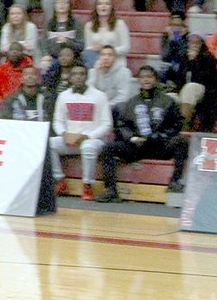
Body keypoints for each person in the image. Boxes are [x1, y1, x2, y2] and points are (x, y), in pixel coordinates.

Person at [96, 65, 188, 202]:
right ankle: (111, 190)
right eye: (143, 77)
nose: (146, 80)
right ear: (138, 80)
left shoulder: (168, 101)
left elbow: (177, 124)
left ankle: (174, 182)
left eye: (149, 77)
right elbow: (122, 125)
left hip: (159, 146)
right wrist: (131, 137)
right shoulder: (131, 103)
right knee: (108, 148)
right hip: (137, 147)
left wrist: (161, 136)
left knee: (182, 141)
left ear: (155, 79)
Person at [0, 64, 56, 215]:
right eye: (26, 75)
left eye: (33, 74)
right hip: (18, 141)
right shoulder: (11, 98)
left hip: (42, 141)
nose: (30, 77)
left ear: (38, 78)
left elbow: (55, 119)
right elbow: (3, 120)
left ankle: (45, 206)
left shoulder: (48, 97)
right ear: (21, 79)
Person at [50, 63, 112, 200]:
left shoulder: (99, 96)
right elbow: (57, 121)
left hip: (93, 140)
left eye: (81, 74)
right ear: (70, 77)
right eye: (75, 74)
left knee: (87, 147)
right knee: (50, 144)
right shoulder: (63, 96)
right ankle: (60, 181)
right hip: (70, 139)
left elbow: (107, 124)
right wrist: (63, 133)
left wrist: (89, 136)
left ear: (87, 76)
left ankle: (87, 185)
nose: (78, 77)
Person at [167, 33, 217, 132]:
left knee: (190, 87)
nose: (194, 45)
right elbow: (179, 81)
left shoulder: (209, 59)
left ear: (202, 44)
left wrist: (193, 62)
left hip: (205, 93)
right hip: (185, 92)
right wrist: (188, 62)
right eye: (191, 42)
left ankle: (183, 127)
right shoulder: (184, 58)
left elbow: (202, 80)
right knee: (169, 96)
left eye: (197, 42)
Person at [82, 0, 131, 69]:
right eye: (100, 4)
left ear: (111, 8)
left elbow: (126, 48)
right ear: (96, 8)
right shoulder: (89, 26)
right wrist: (94, 48)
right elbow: (88, 49)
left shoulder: (120, 24)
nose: (103, 6)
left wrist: (107, 50)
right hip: (96, 62)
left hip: (116, 62)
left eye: (107, 4)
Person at [88, 44, 133, 112]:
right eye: (103, 55)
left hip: (114, 109)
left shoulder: (124, 72)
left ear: (115, 58)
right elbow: (88, 93)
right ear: (99, 57)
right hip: (96, 108)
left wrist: (106, 107)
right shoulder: (92, 72)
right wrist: (97, 74)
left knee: (121, 106)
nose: (106, 58)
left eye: (109, 55)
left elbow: (123, 97)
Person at [40, 0, 84, 64]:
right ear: (54, 5)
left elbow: (81, 45)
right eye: (59, 2)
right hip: (53, 57)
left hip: (73, 58)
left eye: (64, 2)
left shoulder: (76, 23)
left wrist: (67, 41)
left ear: (69, 5)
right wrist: (45, 55)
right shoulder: (48, 24)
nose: (61, 5)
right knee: (45, 63)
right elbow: (44, 43)